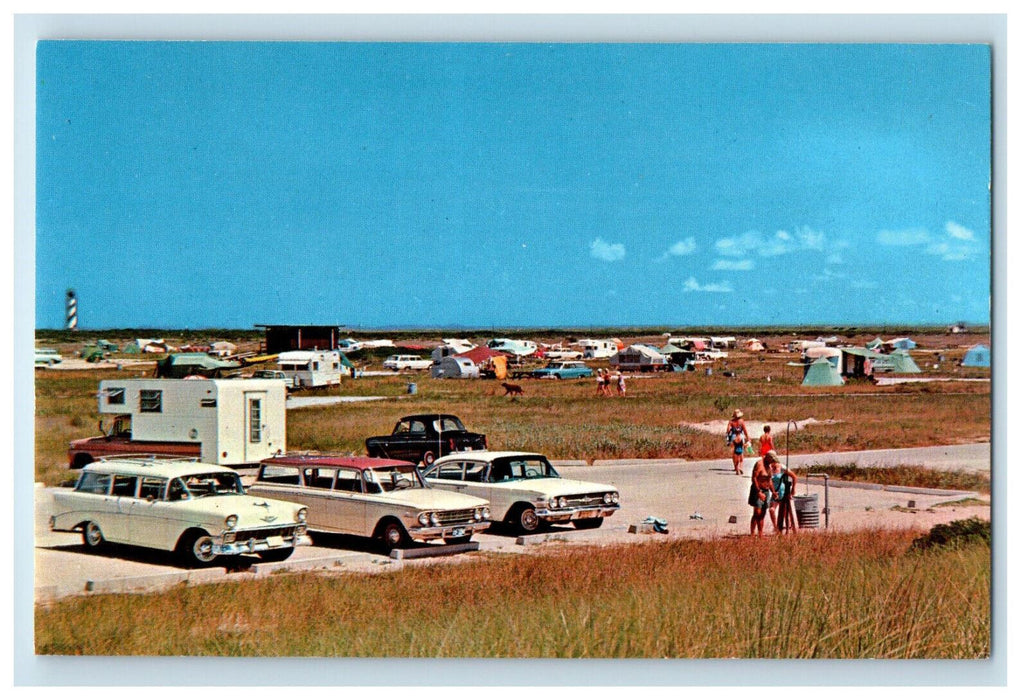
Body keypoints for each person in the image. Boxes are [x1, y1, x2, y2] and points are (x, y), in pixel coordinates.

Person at [748, 455, 774, 536]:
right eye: (771, 460)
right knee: (757, 513)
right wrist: (758, 492)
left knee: (763, 512)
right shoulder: (759, 464)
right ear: (768, 457)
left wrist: (773, 491)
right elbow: (754, 478)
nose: (772, 462)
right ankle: (752, 533)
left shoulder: (768, 466)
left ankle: (760, 533)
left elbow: (769, 480)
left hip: (766, 491)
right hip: (758, 490)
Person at [726, 409, 750, 475]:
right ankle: (741, 467)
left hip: (734, 436)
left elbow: (728, 430)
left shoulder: (731, 422)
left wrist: (728, 437)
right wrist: (748, 438)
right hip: (741, 436)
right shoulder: (741, 421)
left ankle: (736, 467)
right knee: (741, 451)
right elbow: (745, 430)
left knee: (734, 452)